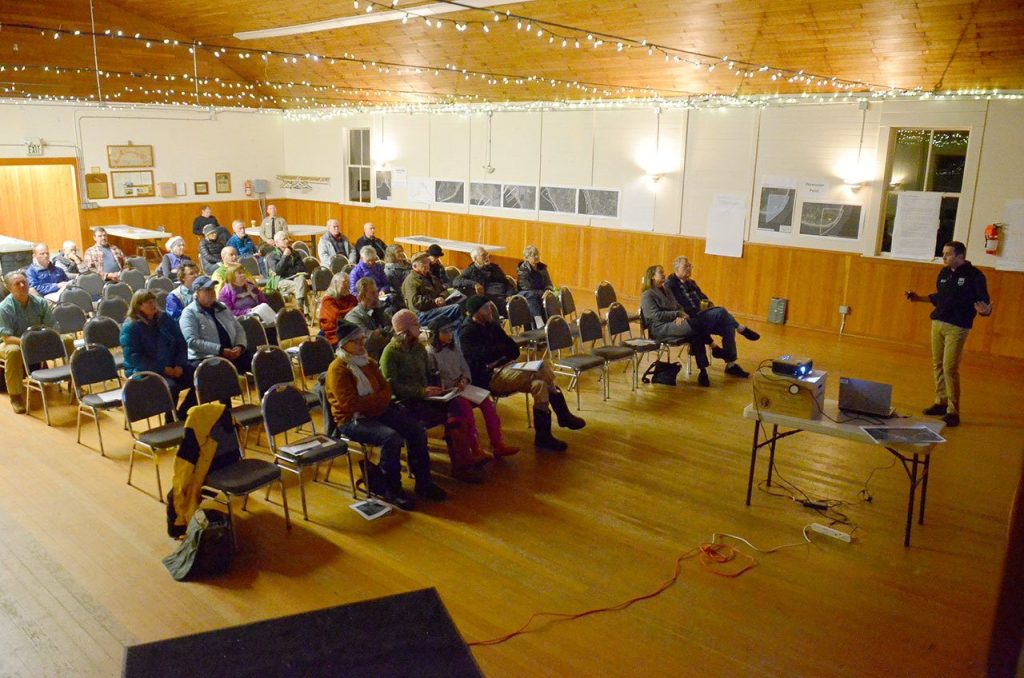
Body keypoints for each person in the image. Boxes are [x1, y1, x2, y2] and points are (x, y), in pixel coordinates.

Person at [325, 319, 447, 510]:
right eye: (356, 341)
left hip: (376, 411)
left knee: (416, 430)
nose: (361, 344)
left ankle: (424, 483)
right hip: (351, 420)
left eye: (361, 339)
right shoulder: (338, 369)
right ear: (344, 345)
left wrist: (376, 399)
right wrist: (378, 399)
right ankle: (391, 489)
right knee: (391, 437)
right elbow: (350, 404)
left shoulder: (368, 362)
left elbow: (386, 389)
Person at [459, 295, 585, 451]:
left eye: (489, 306)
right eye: (485, 308)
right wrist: (499, 353)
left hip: (507, 367)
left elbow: (513, 349)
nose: (490, 310)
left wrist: (497, 354)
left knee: (540, 385)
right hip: (490, 376)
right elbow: (478, 359)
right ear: (475, 313)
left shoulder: (492, 326)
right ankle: (563, 414)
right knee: (540, 367)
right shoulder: (467, 333)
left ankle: (543, 438)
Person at [380, 310, 482, 483]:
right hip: (404, 403)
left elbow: (428, 372)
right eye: (416, 326)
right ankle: (448, 469)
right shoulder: (390, 353)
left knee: (456, 410)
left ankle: (462, 462)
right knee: (422, 426)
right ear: (404, 331)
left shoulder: (418, 348)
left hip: (424, 397)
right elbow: (392, 387)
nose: (420, 330)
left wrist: (439, 387)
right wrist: (421, 391)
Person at [906, 241, 992, 427]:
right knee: (937, 364)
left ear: (960, 256)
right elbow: (940, 297)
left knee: (949, 367)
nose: (943, 257)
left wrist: (985, 310)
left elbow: (984, 302)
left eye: (948, 254)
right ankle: (941, 402)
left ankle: (953, 411)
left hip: (957, 326)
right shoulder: (944, 273)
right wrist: (918, 298)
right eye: (943, 253)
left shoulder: (975, 276)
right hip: (938, 323)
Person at [427, 315, 519, 460]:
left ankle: (497, 444)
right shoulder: (430, 353)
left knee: (488, 405)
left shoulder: (454, 347)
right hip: (450, 392)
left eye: (450, 331)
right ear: (435, 334)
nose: (449, 335)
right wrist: (453, 385)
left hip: (463, 386)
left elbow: (464, 367)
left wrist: (465, 379)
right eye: (445, 332)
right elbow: (434, 378)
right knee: (467, 411)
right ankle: (475, 448)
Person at [664, 256, 759, 378]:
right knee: (721, 311)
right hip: (691, 319)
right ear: (676, 269)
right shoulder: (670, 285)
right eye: (685, 266)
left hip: (703, 316)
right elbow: (674, 306)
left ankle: (731, 365)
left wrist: (709, 304)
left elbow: (704, 298)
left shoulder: (691, 283)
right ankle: (741, 328)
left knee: (728, 326)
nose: (689, 269)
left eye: (690, 266)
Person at [0, 272, 71, 413]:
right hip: (15, 341)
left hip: (39, 339)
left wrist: (42, 340)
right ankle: (16, 396)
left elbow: (53, 327)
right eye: (17, 284)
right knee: (14, 352)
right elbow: (7, 338)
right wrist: (29, 343)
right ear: (9, 288)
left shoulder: (40, 302)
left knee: (68, 340)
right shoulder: (4, 308)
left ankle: (75, 383)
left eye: (24, 282)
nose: (22, 286)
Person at [120, 290, 196, 421]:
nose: (153, 304)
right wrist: (162, 369)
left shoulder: (164, 318)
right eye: (148, 302)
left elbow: (181, 343)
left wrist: (179, 364)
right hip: (145, 371)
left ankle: (182, 414)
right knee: (170, 387)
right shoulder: (131, 327)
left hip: (173, 366)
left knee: (199, 376)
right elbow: (134, 357)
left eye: (154, 301)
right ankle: (170, 421)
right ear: (138, 306)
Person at [639, 265, 712, 387]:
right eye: (660, 273)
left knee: (696, 334)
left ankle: (703, 371)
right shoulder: (647, 295)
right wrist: (676, 314)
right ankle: (712, 345)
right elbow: (654, 316)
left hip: (675, 323)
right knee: (699, 324)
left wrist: (681, 315)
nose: (664, 274)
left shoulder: (666, 290)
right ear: (652, 277)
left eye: (663, 272)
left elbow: (678, 306)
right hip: (660, 328)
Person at [179, 275, 253, 373]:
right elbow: (192, 341)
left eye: (213, 289)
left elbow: (238, 329)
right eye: (207, 290)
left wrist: (240, 346)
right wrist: (221, 350)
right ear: (197, 293)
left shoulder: (222, 307)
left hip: (232, 353)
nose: (212, 292)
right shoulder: (189, 313)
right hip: (207, 358)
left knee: (261, 362)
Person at [402, 251, 463, 330]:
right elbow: (415, 301)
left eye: (427, 262)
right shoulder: (411, 281)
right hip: (422, 315)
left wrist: (441, 297)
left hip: (436, 310)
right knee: (456, 308)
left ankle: (458, 341)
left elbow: (445, 290)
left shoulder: (432, 277)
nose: (427, 265)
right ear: (414, 266)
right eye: (423, 263)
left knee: (457, 321)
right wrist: (434, 301)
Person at [454, 247, 514, 317]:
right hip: (491, 299)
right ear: (475, 259)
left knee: (522, 299)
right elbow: (456, 281)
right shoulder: (471, 270)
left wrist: (510, 295)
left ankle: (528, 326)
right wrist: (475, 284)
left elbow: (507, 284)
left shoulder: (495, 268)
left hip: (505, 297)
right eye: (483, 255)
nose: (487, 257)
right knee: (515, 308)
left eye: (487, 254)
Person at [345, 277, 392, 360]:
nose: (377, 295)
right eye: (373, 293)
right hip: (366, 363)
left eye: (377, 291)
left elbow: (393, 329)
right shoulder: (353, 317)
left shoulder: (379, 310)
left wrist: (384, 334)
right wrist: (385, 334)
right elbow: (366, 343)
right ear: (362, 296)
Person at [265, 231, 309, 312]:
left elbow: (302, 268)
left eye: (287, 238)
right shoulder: (271, 256)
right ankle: (305, 313)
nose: (287, 241)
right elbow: (278, 271)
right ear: (277, 243)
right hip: (280, 281)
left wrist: (288, 271)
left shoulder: (294, 253)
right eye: (283, 239)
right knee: (303, 286)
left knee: (301, 278)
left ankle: (300, 306)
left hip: (295, 278)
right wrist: (285, 256)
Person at [517, 245, 554, 324]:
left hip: (540, 293)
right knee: (531, 295)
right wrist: (542, 293)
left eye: (537, 254)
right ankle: (539, 321)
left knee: (550, 296)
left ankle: (552, 322)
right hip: (525, 294)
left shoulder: (542, 268)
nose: (537, 256)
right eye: (533, 255)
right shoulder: (522, 269)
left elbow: (548, 282)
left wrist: (548, 290)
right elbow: (526, 287)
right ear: (526, 258)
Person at [319, 272, 358, 346]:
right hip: (336, 334)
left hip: (351, 330)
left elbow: (359, 306)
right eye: (344, 283)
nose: (347, 285)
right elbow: (336, 318)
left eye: (348, 282)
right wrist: (354, 310)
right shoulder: (327, 300)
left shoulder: (350, 297)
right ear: (335, 285)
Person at [383, 244, 412, 311]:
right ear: (391, 255)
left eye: (402, 251)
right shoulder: (389, 270)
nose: (402, 253)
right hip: (401, 296)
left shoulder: (408, 264)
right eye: (398, 252)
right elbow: (398, 288)